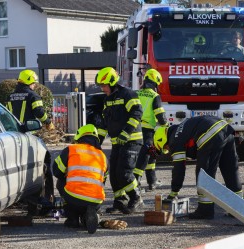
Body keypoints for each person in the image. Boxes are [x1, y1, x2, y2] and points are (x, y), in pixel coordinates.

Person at [153, 115, 242, 220]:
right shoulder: (181, 129)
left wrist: (174, 191)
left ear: (163, 140)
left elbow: (179, 168)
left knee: (204, 174)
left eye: (166, 148)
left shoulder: (174, 140)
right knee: (230, 170)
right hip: (226, 129)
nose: (168, 150)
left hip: (211, 134)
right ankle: (239, 209)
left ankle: (205, 210)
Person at [94, 66, 144, 214]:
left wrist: (126, 133)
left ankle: (136, 197)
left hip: (132, 140)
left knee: (124, 172)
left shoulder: (128, 94)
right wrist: (97, 142)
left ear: (112, 82)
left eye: (104, 86)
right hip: (117, 143)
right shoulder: (107, 99)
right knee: (114, 175)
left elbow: (137, 113)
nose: (103, 89)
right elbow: (104, 123)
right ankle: (120, 202)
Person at [52, 124, 108, 234]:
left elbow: (56, 171)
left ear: (79, 137)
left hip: (74, 199)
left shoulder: (71, 149)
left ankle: (72, 219)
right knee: (91, 192)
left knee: (61, 183)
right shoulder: (103, 157)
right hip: (96, 200)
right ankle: (87, 215)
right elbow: (103, 181)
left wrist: (68, 175)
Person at [133, 68, 167, 192]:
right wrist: (166, 126)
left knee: (151, 154)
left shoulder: (136, 93)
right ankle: (136, 180)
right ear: (155, 83)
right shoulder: (154, 96)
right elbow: (160, 115)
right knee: (146, 154)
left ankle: (152, 180)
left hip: (135, 128)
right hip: (147, 130)